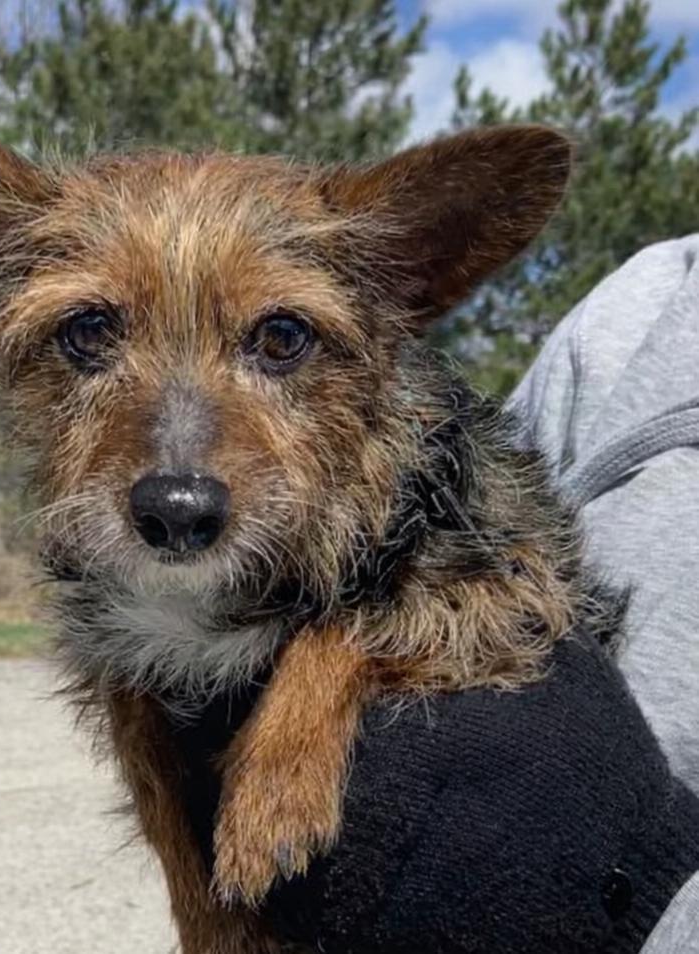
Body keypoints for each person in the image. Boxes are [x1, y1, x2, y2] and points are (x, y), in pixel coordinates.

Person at [261, 237, 699, 953]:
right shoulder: (644, 304)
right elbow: (492, 528)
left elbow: (504, 588)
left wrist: (639, 899)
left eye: (279, 339)